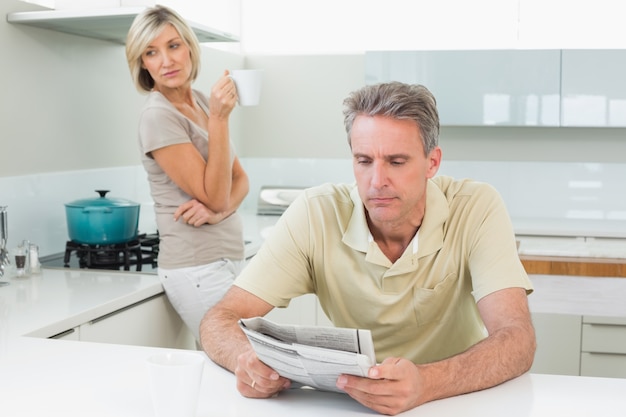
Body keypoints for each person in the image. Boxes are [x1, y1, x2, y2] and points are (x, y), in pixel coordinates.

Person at [199, 82, 535, 415]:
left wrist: (426, 382)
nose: (377, 181)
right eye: (364, 161)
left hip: (457, 401)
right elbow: (219, 319)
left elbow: (517, 339)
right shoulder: (316, 213)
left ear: (432, 162)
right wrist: (245, 360)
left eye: (397, 162)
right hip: (352, 406)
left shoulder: (476, 206)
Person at [125, 5, 249, 343]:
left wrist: (217, 212)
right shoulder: (158, 116)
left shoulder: (200, 102)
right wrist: (221, 120)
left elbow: (241, 180)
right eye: (151, 52)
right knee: (248, 365)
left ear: (190, 48)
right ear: (143, 64)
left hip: (227, 259)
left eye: (173, 45)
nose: (166, 60)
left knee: (242, 371)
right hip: (195, 267)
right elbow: (217, 194)